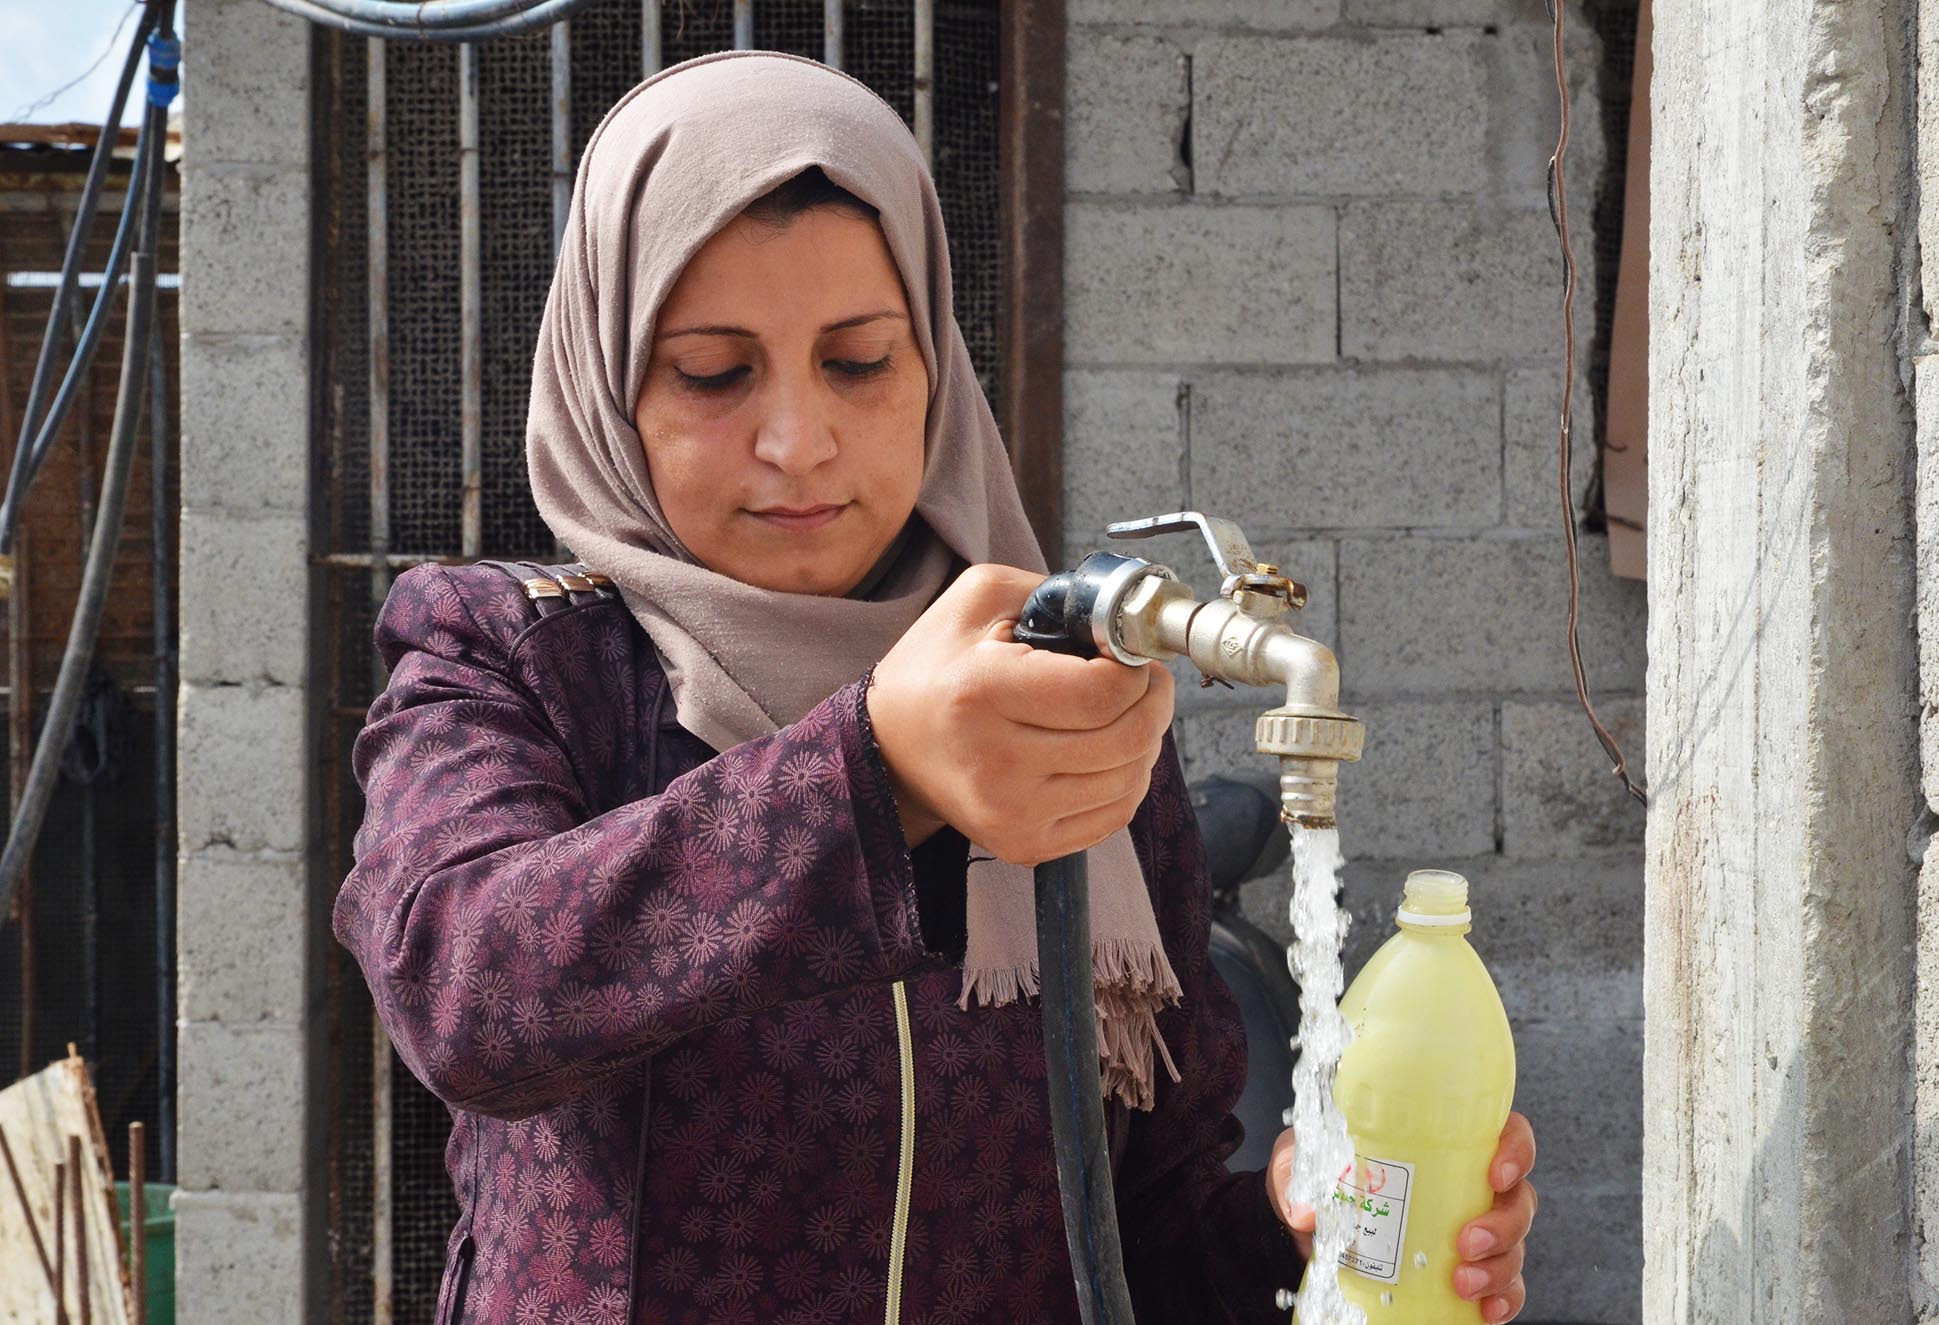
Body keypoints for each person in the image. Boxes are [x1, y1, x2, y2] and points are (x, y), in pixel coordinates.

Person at [335, 51, 1537, 1325]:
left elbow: (1141, 1231)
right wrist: (866, 773)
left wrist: (1307, 1238)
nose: (797, 440)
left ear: (934, 370)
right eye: (711, 371)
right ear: (608, 380)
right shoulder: (513, 659)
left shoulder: (1059, 698)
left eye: (857, 359)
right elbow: (461, 987)